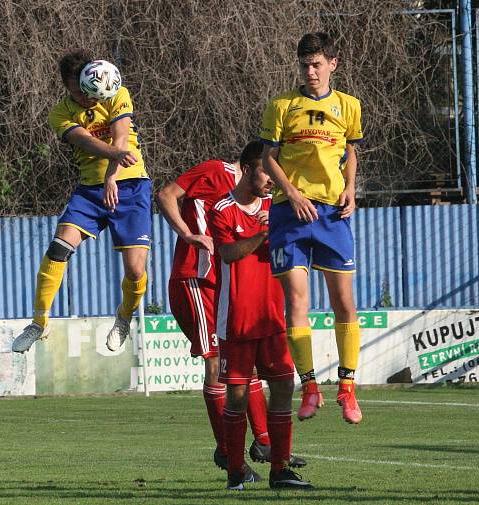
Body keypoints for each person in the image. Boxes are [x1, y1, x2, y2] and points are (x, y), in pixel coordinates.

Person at [156, 143, 307, 476]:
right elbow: (166, 194)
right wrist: (188, 234)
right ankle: (227, 453)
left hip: (225, 285)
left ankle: (265, 442)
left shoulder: (264, 200)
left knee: (246, 371)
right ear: (253, 166)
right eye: (270, 167)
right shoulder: (215, 172)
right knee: (215, 366)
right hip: (195, 276)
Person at [12, 49, 149, 354]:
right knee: (59, 246)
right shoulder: (59, 114)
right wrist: (110, 166)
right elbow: (85, 141)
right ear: (67, 87)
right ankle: (39, 322)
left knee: (136, 271)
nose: (88, 97)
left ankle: (123, 318)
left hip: (131, 186)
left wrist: (112, 176)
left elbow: (121, 140)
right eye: (79, 91)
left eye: (90, 90)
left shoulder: (115, 91)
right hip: (90, 190)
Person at [259, 32, 364, 424]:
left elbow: (351, 150)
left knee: (344, 303)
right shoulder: (281, 106)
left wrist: (351, 189)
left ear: (332, 65)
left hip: (333, 216)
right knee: (297, 304)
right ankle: (310, 389)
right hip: (290, 214)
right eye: (305, 65)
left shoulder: (349, 106)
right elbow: (268, 158)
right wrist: (291, 192)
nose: (311, 71)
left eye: (317, 64)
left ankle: (348, 390)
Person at [208, 140, 312, 490]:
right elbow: (228, 253)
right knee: (237, 397)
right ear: (248, 168)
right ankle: (235, 471)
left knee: (283, 386)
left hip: (272, 319)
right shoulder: (222, 208)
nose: (272, 178)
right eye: (267, 170)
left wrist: (279, 226)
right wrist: (264, 233)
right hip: (236, 320)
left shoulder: (278, 206)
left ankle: (279, 469)